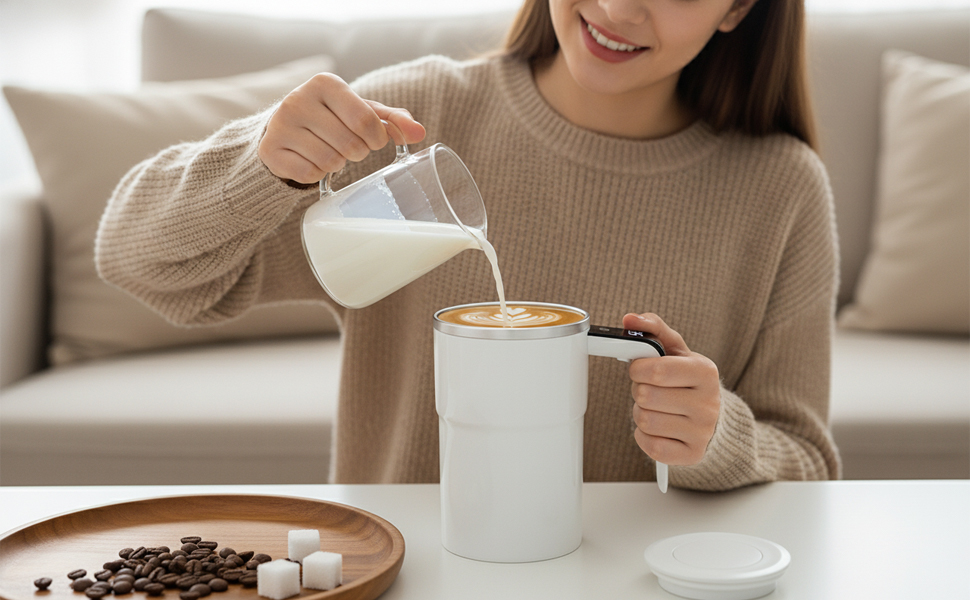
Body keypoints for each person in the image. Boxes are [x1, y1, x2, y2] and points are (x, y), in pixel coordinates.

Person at [96, 0, 841, 489]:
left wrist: (718, 438)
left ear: (740, 8)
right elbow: (141, 265)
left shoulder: (779, 190)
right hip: (414, 567)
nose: (619, 8)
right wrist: (261, 161)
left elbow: (807, 461)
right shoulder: (414, 121)